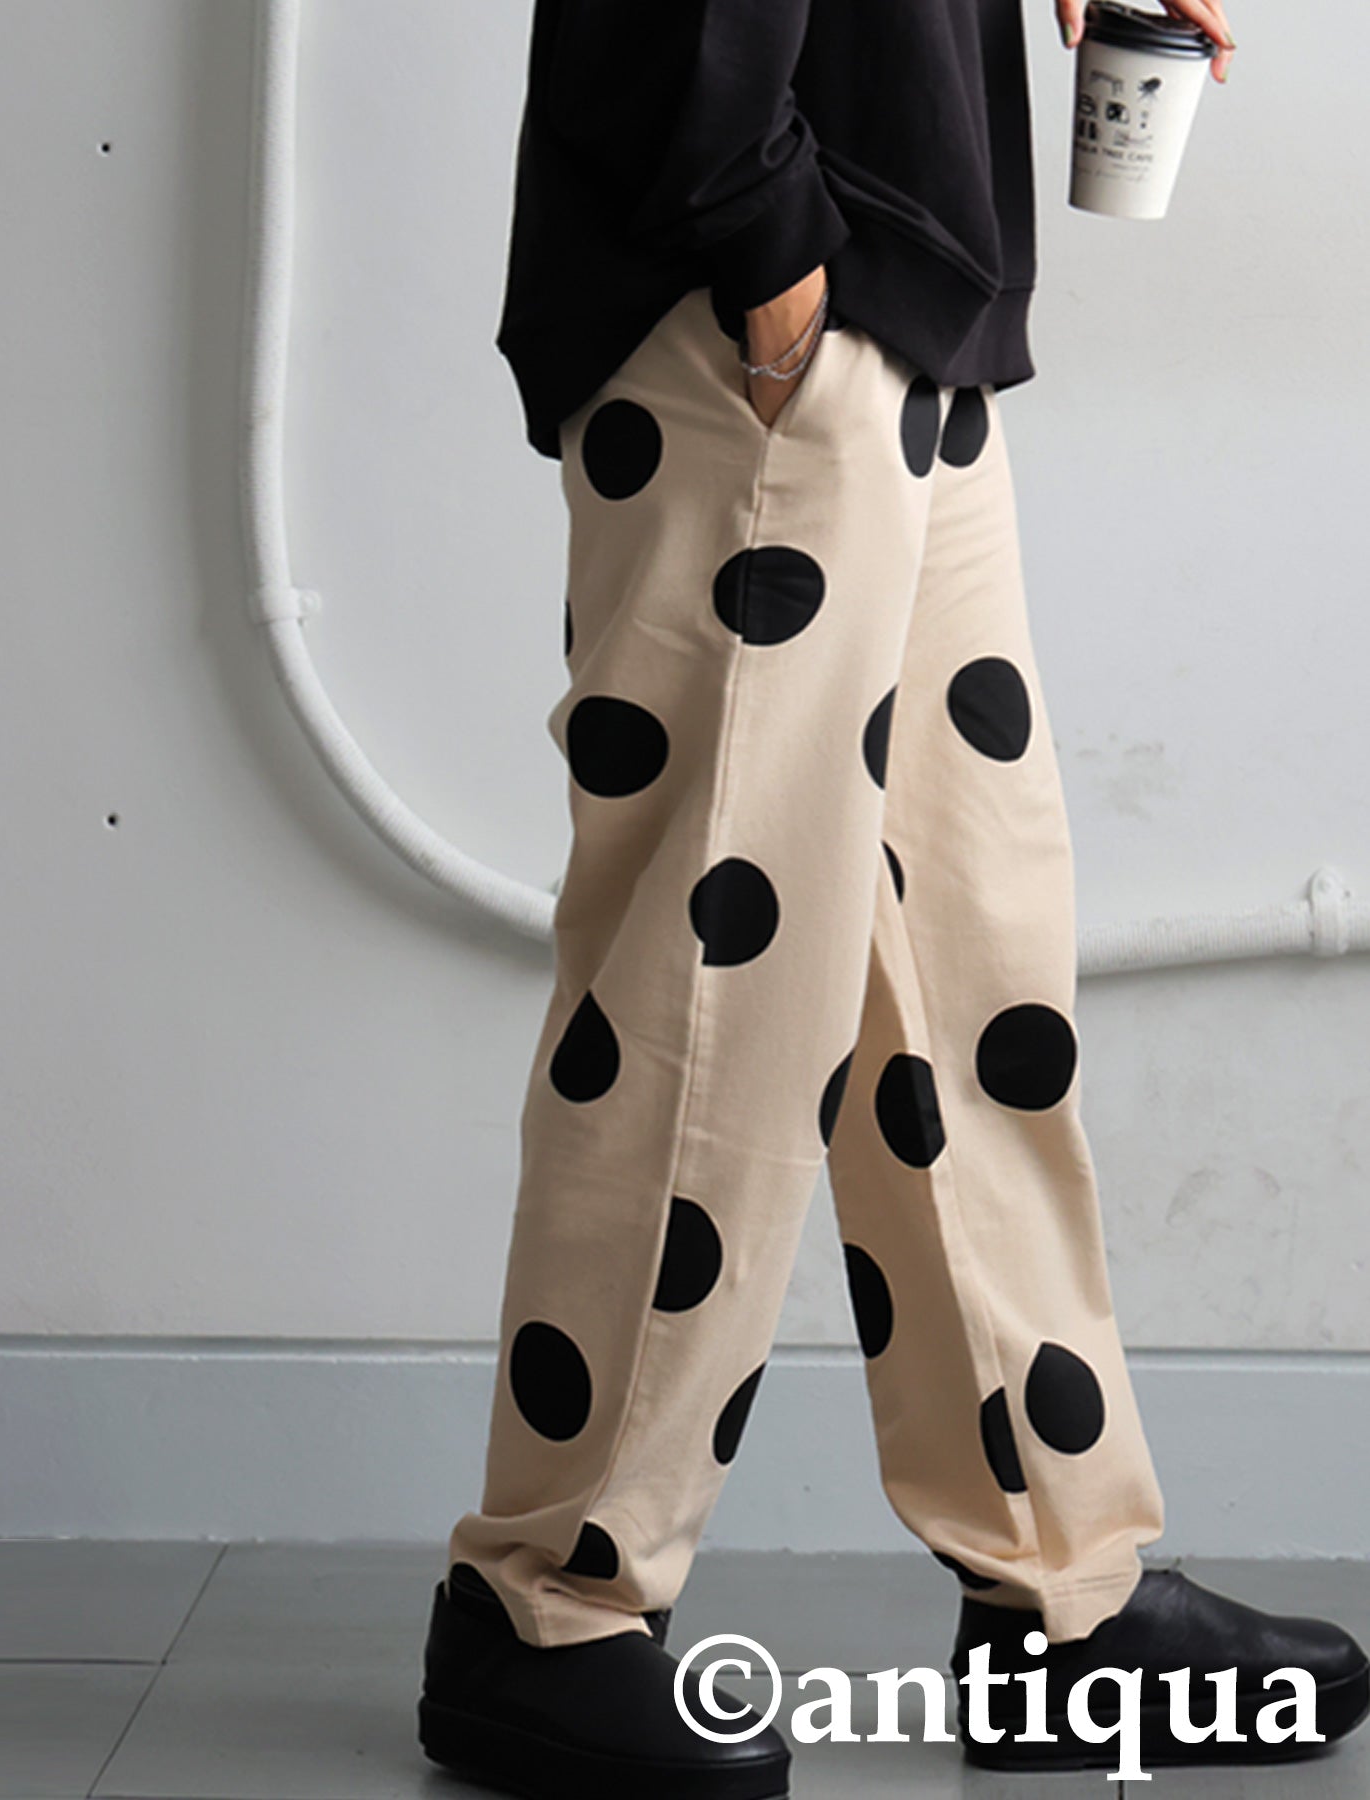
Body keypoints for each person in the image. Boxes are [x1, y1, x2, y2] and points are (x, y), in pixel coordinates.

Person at [417, 3, 1370, 1794]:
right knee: (705, 993)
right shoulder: (767, 278)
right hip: (761, 307)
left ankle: (1057, 1601)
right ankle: (547, 1602)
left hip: (891, 303)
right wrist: (768, 253)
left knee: (965, 967)